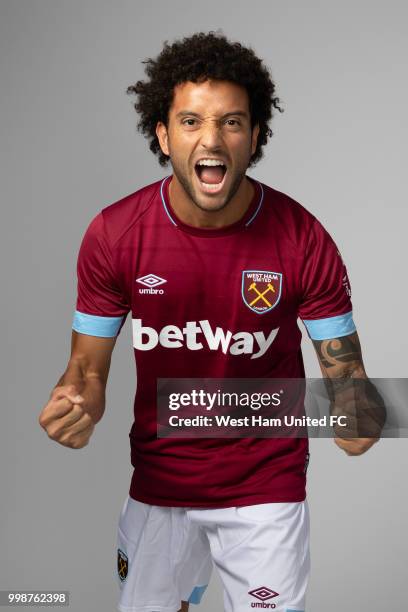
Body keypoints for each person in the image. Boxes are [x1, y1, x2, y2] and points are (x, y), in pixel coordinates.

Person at [38, 31, 383, 612]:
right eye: (192, 121)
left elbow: (348, 380)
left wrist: (359, 416)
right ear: (163, 134)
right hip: (159, 480)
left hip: (264, 485)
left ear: (255, 137)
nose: (211, 138)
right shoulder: (115, 234)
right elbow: (85, 373)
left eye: (231, 122)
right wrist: (75, 403)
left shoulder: (302, 239)